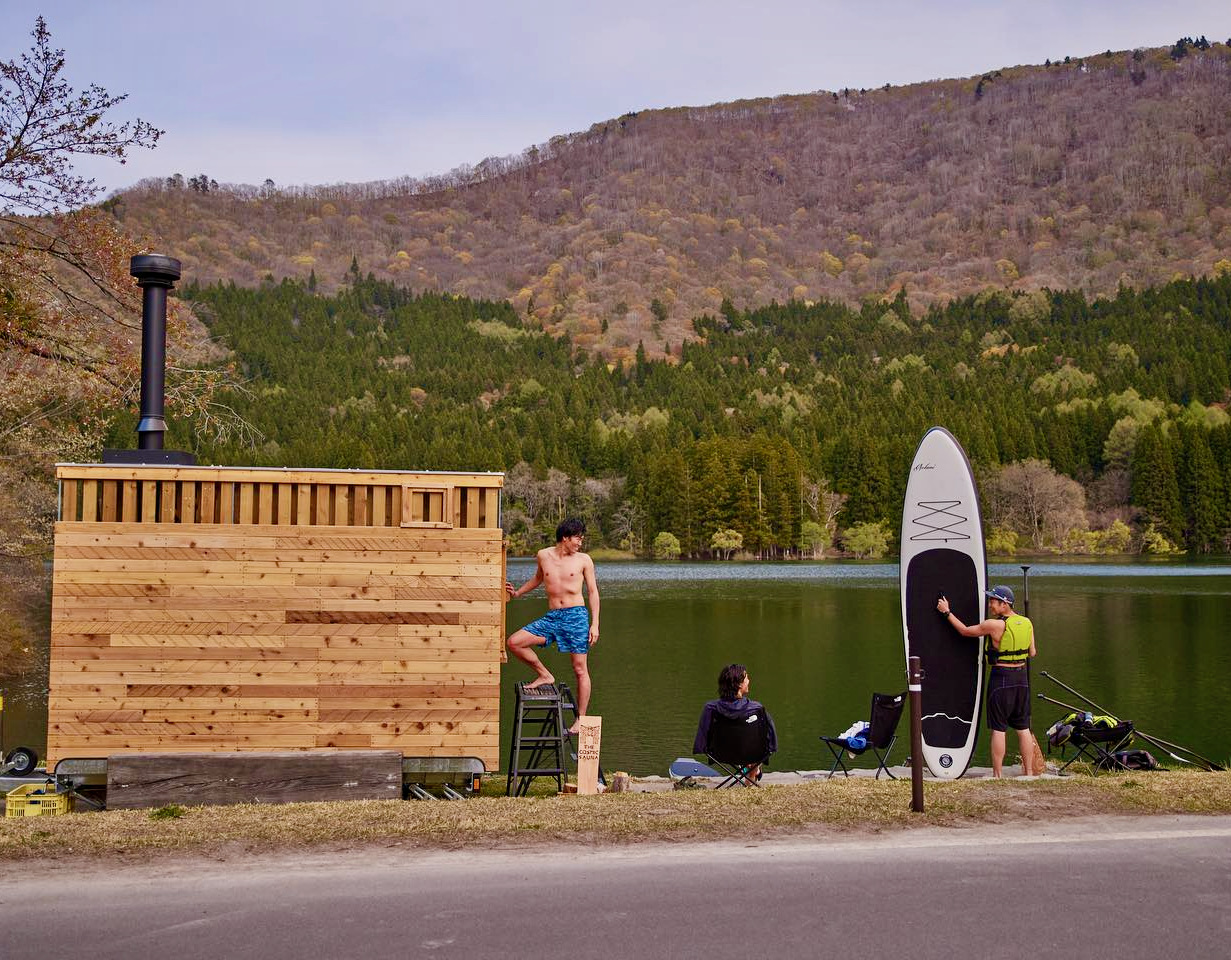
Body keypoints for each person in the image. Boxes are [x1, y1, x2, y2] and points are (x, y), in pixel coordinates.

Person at [505, 518, 600, 734]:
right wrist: (518, 592)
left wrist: (595, 624)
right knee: (514, 642)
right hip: (552, 617)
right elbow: (538, 578)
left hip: (576, 617)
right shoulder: (543, 555)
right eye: (578, 537)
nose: (580, 542)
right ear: (565, 537)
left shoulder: (584, 560)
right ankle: (545, 674)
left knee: (579, 669)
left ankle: (581, 720)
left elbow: (593, 592)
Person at [937, 585, 1037, 777]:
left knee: (999, 728)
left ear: (1005, 604)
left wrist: (947, 612)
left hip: (1002, 679)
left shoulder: (995, 625)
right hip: (1022, 679)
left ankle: (997, 775)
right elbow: (1032, 652)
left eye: (993, 601)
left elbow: (965, 631)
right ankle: (1029, 773)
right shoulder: (1027, 622)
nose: (990, 604)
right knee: (1023, 727)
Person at [692, 663, 778, 782]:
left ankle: (751, 769)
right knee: (757, 744)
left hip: (721, 754)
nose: (749, 680)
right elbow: (770, 737)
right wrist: (769, 749)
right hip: (751, 753)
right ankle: (752, 773)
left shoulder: (710, 708)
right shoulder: (756, 709)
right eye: (746, 677)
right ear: (738, 684)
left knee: (749, 744)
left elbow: (702, 738)